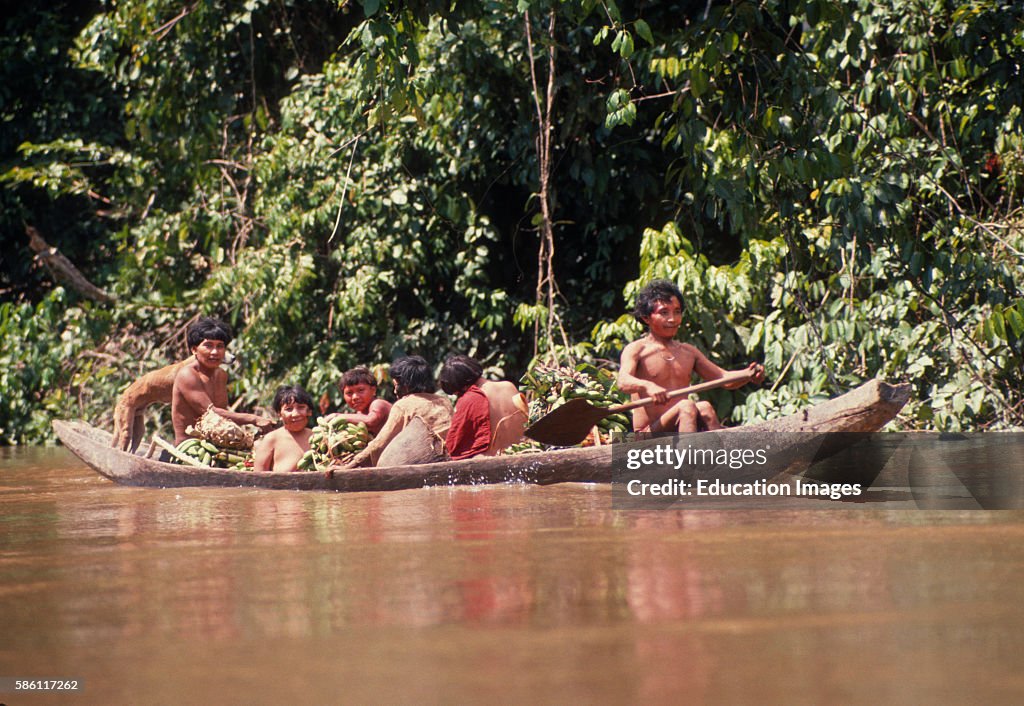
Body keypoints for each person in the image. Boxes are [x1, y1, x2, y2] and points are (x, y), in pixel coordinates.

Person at [617, 280, 764, 433]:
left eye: (677, 311)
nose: (672, 319)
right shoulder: (636, 349)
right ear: (646, 317)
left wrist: (748, 374)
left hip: (681, 426)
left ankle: (720, 455)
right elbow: (622, 381)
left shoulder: (688, 352)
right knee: (686, 405)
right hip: (647, 433)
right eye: (664, 312)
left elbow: (724, 378)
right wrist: (647, 386)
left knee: (704, 407)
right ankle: (688, 457)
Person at [331, 355, 452, 471]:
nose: (395, 391)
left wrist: (349, 465)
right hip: (447, 456)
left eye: (396, 385)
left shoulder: (403, 405)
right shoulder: (444, 400)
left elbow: (380, 442)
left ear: (406, 386)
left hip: (421, 460)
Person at [171, 317, 275, 443]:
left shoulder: (221, 375)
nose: (215, 352)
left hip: (217, 444)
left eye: (220, 346)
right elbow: (210, 413)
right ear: (194, 350)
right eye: (208, 346)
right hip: (190, 446)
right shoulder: (187, 375)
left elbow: (222, 415)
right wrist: (253, 419)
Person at [439, 354, 527, 459]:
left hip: (495, 461)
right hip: (522, 452)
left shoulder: (471, 398)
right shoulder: (509, 385)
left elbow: (454, 446)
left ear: (462, 387)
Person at [253, 385, 314, 472]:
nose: (295, 414)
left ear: (309, 411)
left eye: (301, 407)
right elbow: (257, 478)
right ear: (279, 414)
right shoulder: (271, 439)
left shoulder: (317, 438)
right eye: (289, 409)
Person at [326, 366, 392, 436]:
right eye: (349, 393)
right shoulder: (358, 415)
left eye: (361, 390)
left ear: (373, 390)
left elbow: (371, 421)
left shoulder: (378, 404)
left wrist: (337, 417)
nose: (355, 397)